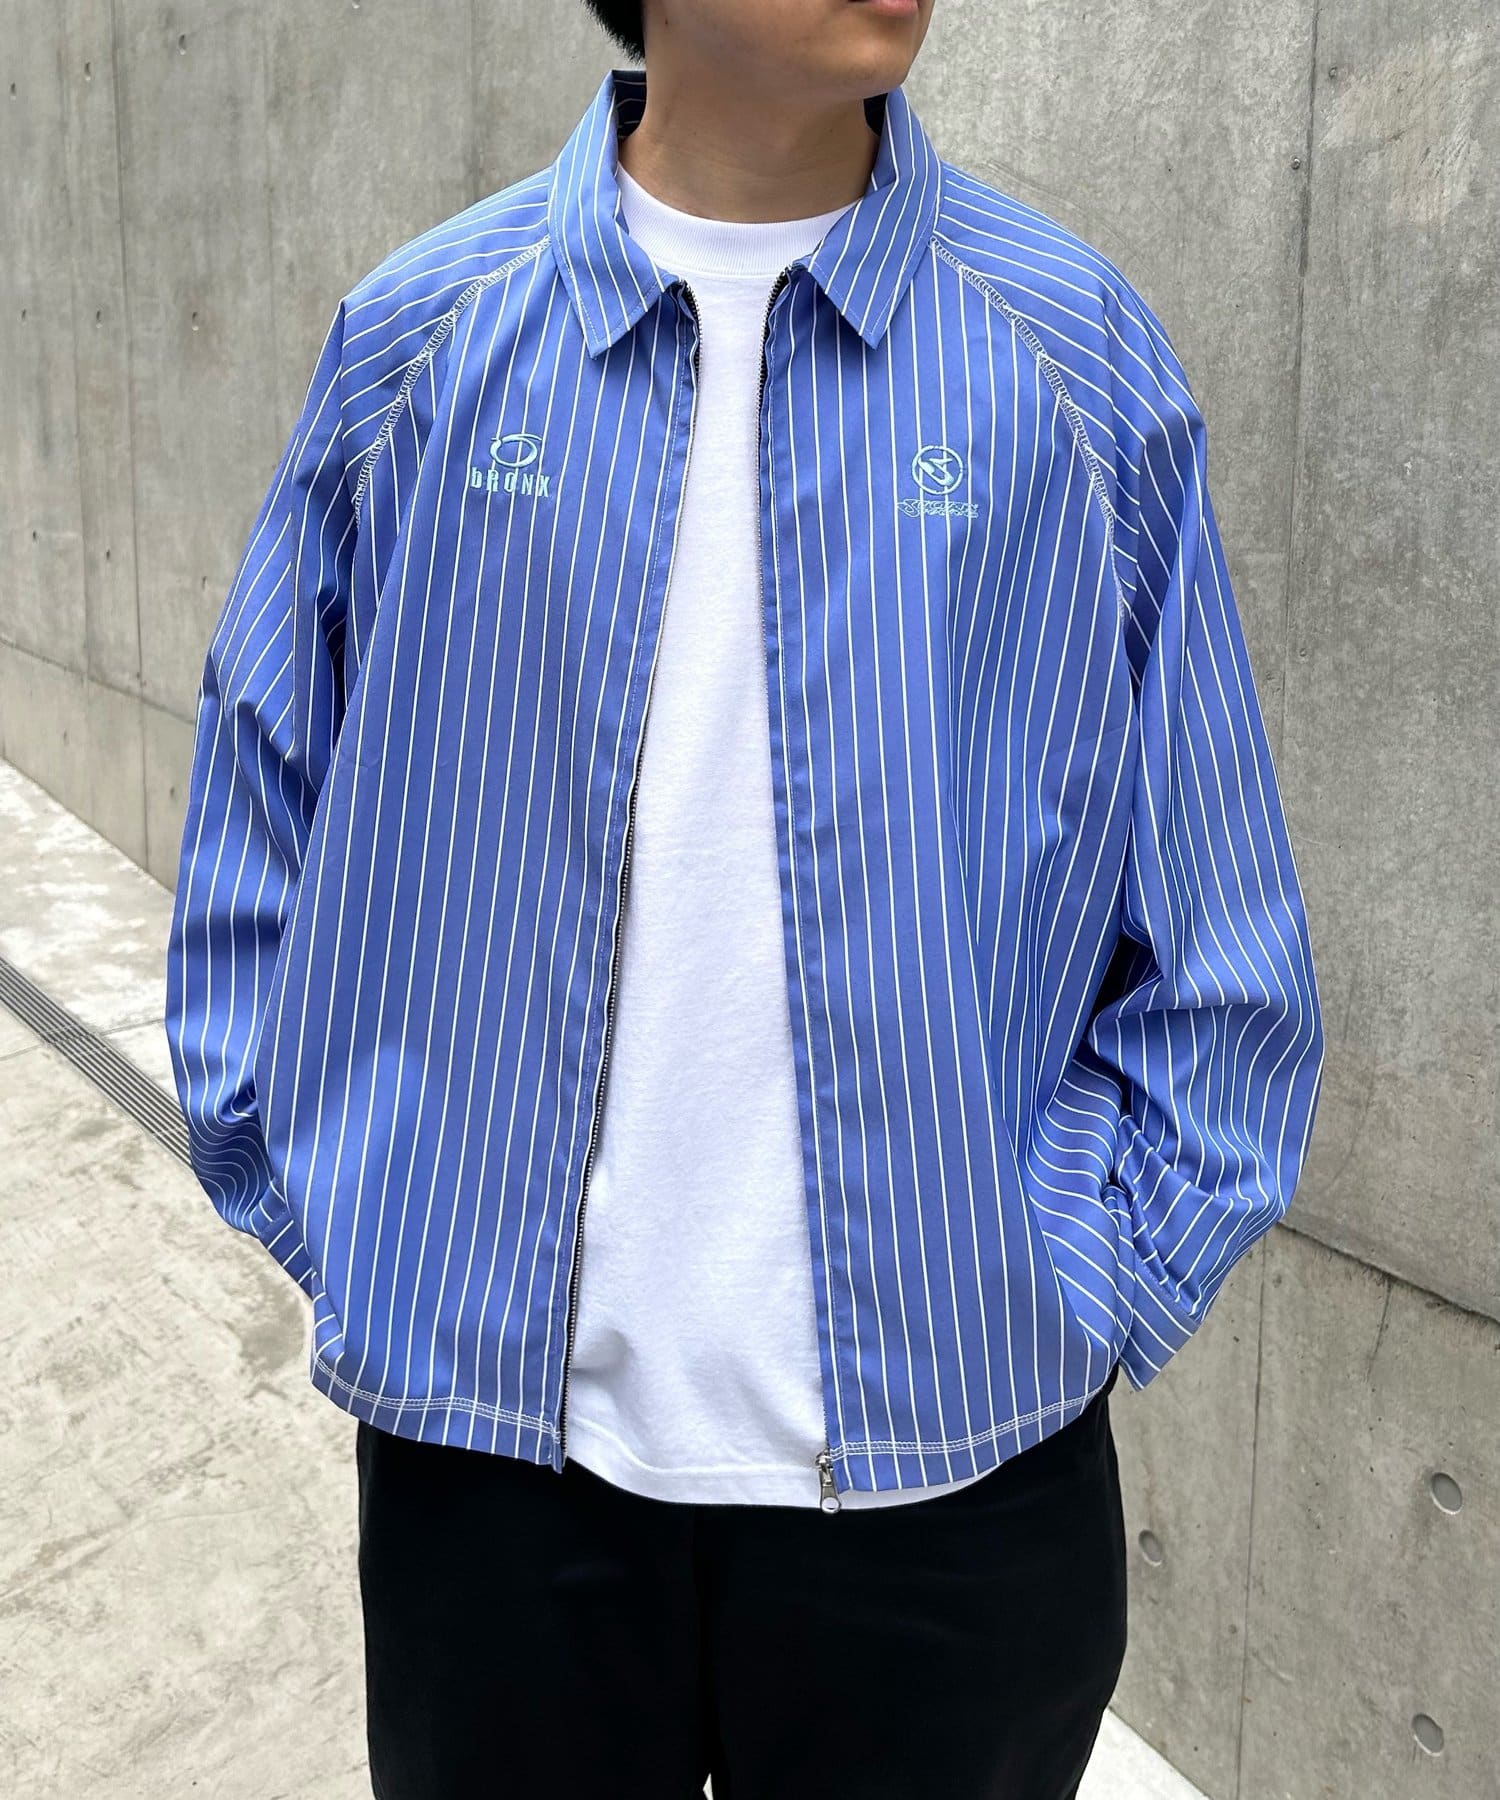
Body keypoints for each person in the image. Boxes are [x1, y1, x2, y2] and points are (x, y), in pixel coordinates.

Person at [163, 0, 1325, 1793]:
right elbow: (260, 804)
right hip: (497, 1474)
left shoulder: (1069, 354)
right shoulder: (426, 340)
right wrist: (355, 1221)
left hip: (957, 1476)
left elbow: (1217, 911)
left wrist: (1082, 1279)